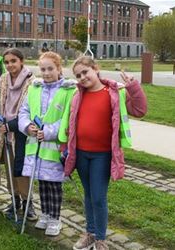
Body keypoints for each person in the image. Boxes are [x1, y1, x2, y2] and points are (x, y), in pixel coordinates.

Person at [65, 56, 147, 250]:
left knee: (99, 197)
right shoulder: (77, 95)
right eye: (78, 75)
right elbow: (70, 124)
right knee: (88, 195)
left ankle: (100, 238)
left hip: (102, 155)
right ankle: (90, 233)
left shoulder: (114, 93)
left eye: (85, 72)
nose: (83, 77)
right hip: (81, 154)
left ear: (96, 68)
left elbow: (140, 109)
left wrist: (133, 87)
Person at [18, 52, 76, 236]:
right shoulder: (34, 88)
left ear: (59, 69)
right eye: (43, 69)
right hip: (36, 146)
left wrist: (49, 131)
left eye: (50, 68)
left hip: (54, 148)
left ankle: (55, 218)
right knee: (42, 183)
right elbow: (24, 111)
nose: (46, 72)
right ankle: (45, 214)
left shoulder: (68, 91)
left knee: (54, 185)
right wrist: (27, 127)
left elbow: (68, 118)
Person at [0, 48, 37, 220]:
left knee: (22, 169)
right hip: (5, 130)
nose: (10, 65)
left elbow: (31, 108)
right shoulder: (3, 79)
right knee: (9, 168)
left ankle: (28, 202)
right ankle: (14, 199)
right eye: (7, 62)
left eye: (13, 61)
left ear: (21, 61)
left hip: (21, 130)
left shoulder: (31, 81)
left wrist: (13, 125)